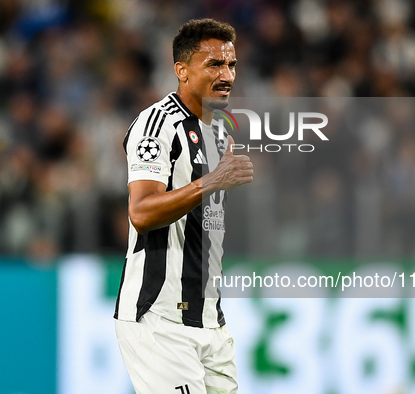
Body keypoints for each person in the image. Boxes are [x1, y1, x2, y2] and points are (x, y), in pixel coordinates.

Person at [113, 18, 253, 394]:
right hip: (160, 319)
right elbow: (141, 213)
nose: (227, 75)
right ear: (182, 70)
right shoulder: (157, 124)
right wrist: (212, 181)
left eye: (231, 65)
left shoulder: (219, 128)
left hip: (209, 321)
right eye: (214, 65)